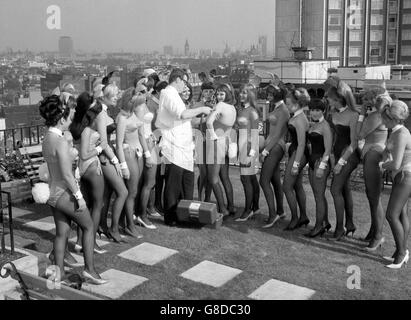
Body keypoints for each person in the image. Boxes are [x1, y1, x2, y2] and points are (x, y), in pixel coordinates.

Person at [39, 95, 107, 285]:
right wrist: (79, 197)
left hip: (52, 193)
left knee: (62, 233)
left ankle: (58, 274)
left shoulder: (47, 138)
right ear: (61, 119)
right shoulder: (60, 141)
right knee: (88, 226)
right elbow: (67, 175)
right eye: (69, 117)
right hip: (65, 193)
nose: (71, 120)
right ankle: (90, 270)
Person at [156, 69, 212, 226]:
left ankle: (186, 214)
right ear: (177, 79)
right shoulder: (168, 93)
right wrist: (201, 109)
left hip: (184, 146)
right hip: (173, 146)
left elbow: (185, 117)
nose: (185, 85)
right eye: (184, 81)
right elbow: (182, 114)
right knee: (173, 185)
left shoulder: (173, 94)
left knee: (187, 181)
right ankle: (171, 217)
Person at [94, 83, 131, 242]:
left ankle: (102, 227)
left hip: (106, 155)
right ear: (105, 96)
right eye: (114, 95)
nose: (117, 97)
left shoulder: (103, 111)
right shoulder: (101, 114)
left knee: (107, 196)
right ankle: (114, 229)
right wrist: (116, 161)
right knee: (123, 192)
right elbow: (102, 143)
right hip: (104, 157)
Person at [70, 92, 106, 254]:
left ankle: (79, 241)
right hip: (91, 165)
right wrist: (100, 148)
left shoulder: (75, 123)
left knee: (85, 206)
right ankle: (91, 242)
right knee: (98, 204)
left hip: (80, 168)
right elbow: (86, 153)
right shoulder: (88, 127)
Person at [357, 86, 390, 251]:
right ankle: (374, 231)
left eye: (366, 100)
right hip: (373, 154)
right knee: (372, 196)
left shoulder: (376, 116)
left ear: (373, 101)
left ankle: (378, 236)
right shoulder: (379, 115)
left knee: (374, 197)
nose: (364, 103)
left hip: (372, 155)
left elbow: (359, 133)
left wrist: (362, 113)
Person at [327, 85, 360, 241]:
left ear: (338, 98)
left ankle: (340, 228)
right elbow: (333, 139)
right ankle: (350, 224)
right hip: (338, 154)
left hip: (349, 156)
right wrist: (332, 157)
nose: (327, 99)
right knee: (344, 188)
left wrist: (340, 161)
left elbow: (353, 143)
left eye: (329, 97)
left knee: (335, 189)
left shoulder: (354, 115)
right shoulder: (332, 113)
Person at [381, 100, 411, 269]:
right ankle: (400, 251)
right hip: (403, 176)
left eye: (384, 118)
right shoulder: (396, 132)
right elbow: (389, 151)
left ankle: (401, 253)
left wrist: (381, 166)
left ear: (392, 118)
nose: (382, 121)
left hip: (405, 176)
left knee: (392, 215)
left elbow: (396, 163)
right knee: (401, 215)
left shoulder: (401, 134)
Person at [115, 87, 148, 235]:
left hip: (138, 153)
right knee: (132, 192)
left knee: (134, 191)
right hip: (128, 155)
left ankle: (124, 222)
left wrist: (146, 154)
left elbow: (141, 134)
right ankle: (129, 225)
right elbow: (119, 144)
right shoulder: (122, 118)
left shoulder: (134, 115)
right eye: (139, 103)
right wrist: (123, 166)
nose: (141, 106)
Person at [259, 84, 289, 228]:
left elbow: (277, 134)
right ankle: (280, 211)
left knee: (264, 181)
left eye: (271, 94)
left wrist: (265, 151)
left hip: (276, 146)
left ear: (277, 95)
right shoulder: (276, 107)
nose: (268, 96)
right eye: (268, 94)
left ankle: (273, 215)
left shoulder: (283, 110)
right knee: (275, 180)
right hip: (273, 145)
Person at [206, 83, 237, 216]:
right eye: (217, 94)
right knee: (225, 177)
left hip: (216, 143)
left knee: (213, 178)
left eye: (221, 94)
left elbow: (208, 122)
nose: (219, 97)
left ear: (227, 94)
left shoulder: (220, 106)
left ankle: (223, 209)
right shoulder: (233, 108)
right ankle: (231, 206)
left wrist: (212, 136)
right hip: (226, 143)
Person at [283, 88, 310, 231]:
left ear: (296, 104)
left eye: (288, 104)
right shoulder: (296, 116)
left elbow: (301, 144)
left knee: (286, 186)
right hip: (296, 152)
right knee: (297, 186)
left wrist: (296, 164)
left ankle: (294, 218)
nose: (286, 106)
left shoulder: (299, 119)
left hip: (299, 153)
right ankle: (303, 216)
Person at [305, 99, 332, 237]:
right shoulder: (314, 125)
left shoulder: (325, 126)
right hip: (312, 162)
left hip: (321, 162)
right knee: (318, 195)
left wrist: (322, 167)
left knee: (318, 197)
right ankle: (325, 222)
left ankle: (318, 226)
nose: (314, 113)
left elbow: (328, 149)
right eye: (312, 110)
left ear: (323, 111)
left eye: (317, 110)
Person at [134, 83, 158, 229]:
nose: (146, 92)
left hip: (150, 141)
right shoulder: (139, 107)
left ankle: (139, 213)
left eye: (147, 89)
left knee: (147, 182)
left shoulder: (146, 104)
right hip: (145, 146)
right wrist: (147, 153)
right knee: (148, 182)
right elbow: (140, 132)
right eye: (142, 90)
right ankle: (142, 215)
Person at [235, 84, 261, 222]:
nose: (241, 95)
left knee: (246, 179)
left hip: (249, 148)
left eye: (245, 93)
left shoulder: (252, 112)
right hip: (242, 146)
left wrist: (251, 153)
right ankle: (255, 207)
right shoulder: (242, 110)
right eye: (240, 93)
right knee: (251, 179)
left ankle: (248, 210)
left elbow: (255, 134)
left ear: (251, 94)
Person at [147, 81, 168, 215]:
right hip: (155, 142)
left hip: (160, 141)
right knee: (155, 176)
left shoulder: (158, 103)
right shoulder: (152, 104)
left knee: (160, 174)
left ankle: (157, 203)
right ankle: (153, 205)